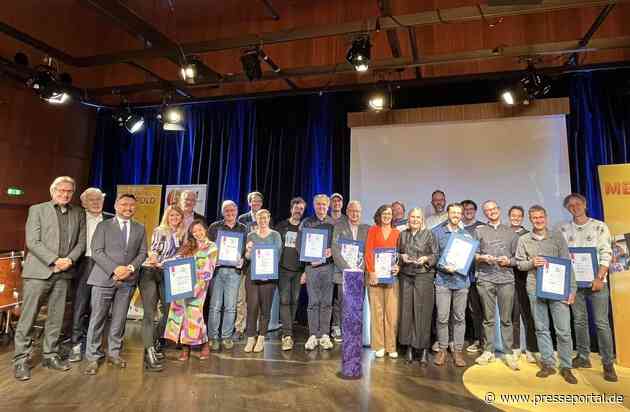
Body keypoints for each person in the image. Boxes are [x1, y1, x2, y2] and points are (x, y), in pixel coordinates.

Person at [14, 176, 86, 381]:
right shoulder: (37, 209)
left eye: (69, 191)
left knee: (56, 317)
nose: (65, 194)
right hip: (39, 272)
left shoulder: (78, 213)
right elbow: (32, 241)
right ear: (52, 191)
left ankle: (50, 355)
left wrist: (69, 260)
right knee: (29, 318)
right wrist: (55, 260)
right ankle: (21, 359)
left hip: (64, 273)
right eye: (61, 190)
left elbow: (81, 243)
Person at [84, 193, 147, 375]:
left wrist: (129, 268)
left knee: (119, 319)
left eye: (132, 205)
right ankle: (93, 357)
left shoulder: (140, 228)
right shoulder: (103, 226)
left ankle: (114, 353)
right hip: (103, 278)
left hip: (127, 280)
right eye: (124, 204)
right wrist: (115, 269)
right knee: (97, 319)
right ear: (116, 206)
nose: (128, 208)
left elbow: (142, 253)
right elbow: (96, 251)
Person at [515, 205, 578, 384]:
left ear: (546, 217)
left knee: (564, 331)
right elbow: (519, 264)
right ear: (530, 219)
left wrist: (572, 290)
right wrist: (532, 262)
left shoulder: (557, 238)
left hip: (558, 290)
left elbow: (567, 264)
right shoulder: (524, 240)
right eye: (535, 218)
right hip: (535, 288)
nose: (538, 220)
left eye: (541, 217)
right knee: (541, 328)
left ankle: (566, 366)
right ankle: (548, 363)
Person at [559, 193, 617, 382]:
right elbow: (562, 256)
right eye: (571, 205)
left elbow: (606, 253)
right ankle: (583, 357)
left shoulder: (600, 226)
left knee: (601, 324)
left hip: (597, 283)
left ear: (585, 204)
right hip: (576, 285)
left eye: (578, 204)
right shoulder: (563, 229)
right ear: (568, 209)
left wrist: (600, 277)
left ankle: (608, 363)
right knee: (579, 322)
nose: (574, 207)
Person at [473, 201, 520, 370]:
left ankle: (508, 352)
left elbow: (518, 259)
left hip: (506, 279)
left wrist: (509, 261)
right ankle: (488, 351)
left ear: (499, 210)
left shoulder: (511, 233)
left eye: (494, 209)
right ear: (485, 214)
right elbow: (473, 254)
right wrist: (482, 258)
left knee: (506, 319)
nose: (491, 212)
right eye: (487, 210)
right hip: (485, 279)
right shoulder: (479, 231)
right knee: (488, 318)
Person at [139, 205, 186, 370]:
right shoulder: (160, 230)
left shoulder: (182, 234)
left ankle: (155, 341)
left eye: (177, 215)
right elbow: (154, 250)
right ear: (167, 216)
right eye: (171, 215)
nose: (174, 218)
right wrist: (154, 258)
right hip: (150, 271)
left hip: (166, 273)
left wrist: (164, 263)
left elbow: (181, 254)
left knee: (169, 312)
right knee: (149, 313)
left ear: (181, 218)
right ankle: (149, 352)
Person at [69, 187, 112, 363]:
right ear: (84, 203)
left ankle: (94, 345)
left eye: (99, 200)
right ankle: (75, 344)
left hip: (105, 266)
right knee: (80, 305)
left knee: (99, 308)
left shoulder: (111, 219)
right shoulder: (77, 218)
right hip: (83, 264)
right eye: (92, 200)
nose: (96, 203)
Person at [164, 220, 217, 361]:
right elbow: (177, 260)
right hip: (182, 285)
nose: (198, 234)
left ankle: (205, 344)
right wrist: (165, 264)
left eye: (200, 230)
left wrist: (197, 286)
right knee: (180, 315)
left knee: (194, 316)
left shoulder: (212, 247)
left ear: (205, 230)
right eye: (194, 232)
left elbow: (209, 269)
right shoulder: (189, 246)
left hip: (199, 286)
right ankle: (185, 348)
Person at [397, 208, 437, 366]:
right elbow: (396, 253)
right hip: (406, 276)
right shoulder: (402, 234)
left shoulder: (429, 234)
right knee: (407, 313)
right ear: (409, 218)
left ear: (422, 220)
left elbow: (435, 255)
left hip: (423, 276)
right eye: (412, 217)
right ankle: (409, 348)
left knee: (423, 314)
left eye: (418, 217)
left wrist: (426, 258)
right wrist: (401, 256)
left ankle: (424, 349)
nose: (415, 220)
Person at [432, 203, 470, 367]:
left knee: (460, 318)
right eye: (453, 212)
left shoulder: (467, 235)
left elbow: (468, 261)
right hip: (442, 281)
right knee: (442, 318)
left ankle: (458, 351)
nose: (456, 215)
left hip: (461, 282)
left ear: (461, 215)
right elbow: (434, 257)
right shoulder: (437, 233)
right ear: (447, 214)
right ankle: (442, 349)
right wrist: (443, 266)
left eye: (458, 213)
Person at [207, 200, 248, 350]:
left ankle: (226, 336)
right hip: (217, 270)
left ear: (237, 211)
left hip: (235, 272)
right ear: (222, 212)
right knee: (215, 306)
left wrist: (243, 259)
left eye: (232, 210)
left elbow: (245, 250)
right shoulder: (214, 227)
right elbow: (207, 247)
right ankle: (212, 337)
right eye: (227, 211)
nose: (230, 213)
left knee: (231, 307)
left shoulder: (243, 228)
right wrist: (213, 258)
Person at [243, 210, 283, 353]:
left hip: (269, 276)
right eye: (260, 218)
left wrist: (267, 272)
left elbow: (277, 255)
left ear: (269, 218)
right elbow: (247, 257)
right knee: (252, 307)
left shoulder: (275, 235)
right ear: (257, 220)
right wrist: (248, 251)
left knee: (266, 309)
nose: (263, 220)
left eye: (265, 217)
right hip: (253, 276)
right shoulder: (251, 235)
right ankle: (250, 338)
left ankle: (261, 337)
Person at [299, 194, 335, 351]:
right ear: (314, 206)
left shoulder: (333, 223)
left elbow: (339, 245)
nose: (321, 207)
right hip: (311, 267)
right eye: (318, 204)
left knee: (326, 302)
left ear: (328, 207)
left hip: (329, 267)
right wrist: (307, 261)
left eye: (324, 205)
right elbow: (299, 245)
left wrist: (332, 251)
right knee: (313, 302)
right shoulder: (306, 222)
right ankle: (313, 335)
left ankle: (325, 335)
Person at [331, 200, 370, 344]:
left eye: (357, 211)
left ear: (361, 213)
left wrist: (361, 268)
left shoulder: (366, 229)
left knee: (356, 304)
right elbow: (335, 250)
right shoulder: (339, 227)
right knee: (342, 303)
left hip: (360, 272)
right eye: (352, 211)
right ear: (347, 212)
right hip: (343, 272)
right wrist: (347, 268)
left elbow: (368, 251)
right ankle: (340, 329)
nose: (355, 214)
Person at [365, 204, 401, 358]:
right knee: (377, 312)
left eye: (389, 214)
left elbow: (399, 255)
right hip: (375, 276)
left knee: (391, 313)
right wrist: (371, 271)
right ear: (379, 215)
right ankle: (379, 345)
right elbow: (368, 251)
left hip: (391, 277)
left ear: (392, 216)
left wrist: (398, 267)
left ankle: (391, 346)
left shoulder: (397, 233)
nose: (387, 216)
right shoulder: (373, 230)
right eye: (384, 213)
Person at [275, 197, 307, 351]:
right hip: (283, 269)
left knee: (294, 301)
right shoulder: (281, 226)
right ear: (291, 208)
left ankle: (288, 329)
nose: (298, 211)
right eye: (296, 208)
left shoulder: (305, 227)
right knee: (284, 300)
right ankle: (287, 335)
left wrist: (306, 271)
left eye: (301, 209)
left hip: (299, 271)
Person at [508, 205, 538, 364]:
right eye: (513, 215)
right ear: (509, 216)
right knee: (513, 316)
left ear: (523, 217)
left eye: (519, 216)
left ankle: (531, 349)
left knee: (528, 315)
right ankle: (515, 348)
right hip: (508, 280)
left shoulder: (528, 235)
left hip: (526, 279)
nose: (516, 218)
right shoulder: (505, 233)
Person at [235, 191, 264, 339]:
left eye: (259, 201)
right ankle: (240, 327)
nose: (256, 203)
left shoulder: (266, 219)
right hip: (245, 264)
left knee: (257, 299)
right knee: (241, 298)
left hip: (261, 266)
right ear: (249, 203)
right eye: (254, 201)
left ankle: (256, 327)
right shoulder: (242, 219)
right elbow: (239, 241)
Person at [460, 199, 485, 355]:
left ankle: (480, 340)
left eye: (470, 208)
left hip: (477, 275)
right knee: (465, 310)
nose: (467, 211)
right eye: (465, 209)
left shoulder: (482, 227)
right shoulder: (459, 228)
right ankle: (470, 338)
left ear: (475, 210)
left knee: (478, 309)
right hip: (460, 275)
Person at [329, 193, 347, 341]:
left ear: (342, 204)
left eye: (338, 201)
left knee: (339, 298)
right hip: (326, 263)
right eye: (333, 201)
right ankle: (328, 327)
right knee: (328, 297)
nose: (336, 203)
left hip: (340, 264)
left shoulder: (346, 221)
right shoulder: (325, 219)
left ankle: (337, 326)